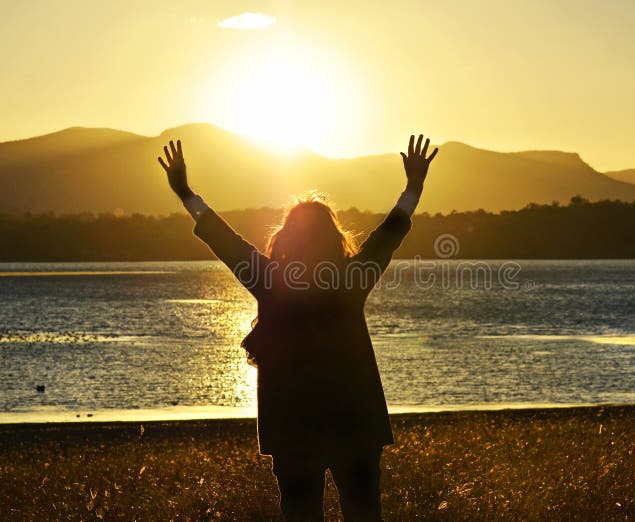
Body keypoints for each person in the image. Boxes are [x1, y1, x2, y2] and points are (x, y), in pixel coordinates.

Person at [157, 134, 438, 521]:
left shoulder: (270, 279)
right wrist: (413, 188)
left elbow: (225, 240)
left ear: (287, 239)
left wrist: (186, 193)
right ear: (333, 238)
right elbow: (388, 235)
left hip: (293, 428)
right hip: (354, 423)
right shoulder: (350, 277)